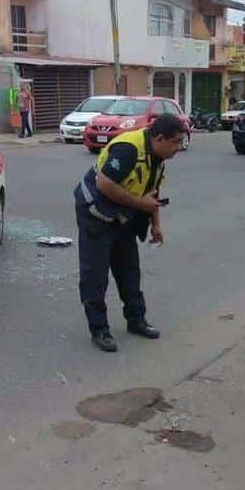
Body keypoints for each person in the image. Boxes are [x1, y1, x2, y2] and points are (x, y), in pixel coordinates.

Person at [74, 114, 187, 352]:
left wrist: (155, 224)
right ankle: (99, 329)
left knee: (128, 269)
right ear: (159, 138)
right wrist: (141, 205)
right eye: (176, 142)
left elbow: (152, 191)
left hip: (123, 215)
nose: (179, 148)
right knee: (95, 274)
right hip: (95, 213)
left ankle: (136, 320)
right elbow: (106, 185)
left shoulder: (157, 156)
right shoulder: (128, 149)